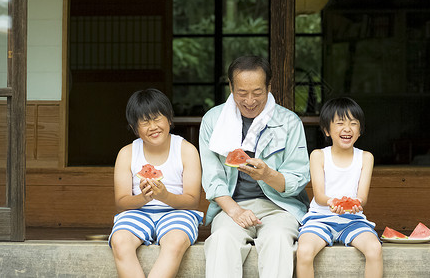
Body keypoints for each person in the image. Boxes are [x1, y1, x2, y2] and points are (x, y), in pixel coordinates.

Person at [199, 55, 311, 278]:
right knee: (221, 241)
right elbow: (213, 178)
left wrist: (268, 174)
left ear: (269, 87)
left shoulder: (290, 122)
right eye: (242, 93)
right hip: (231, 206)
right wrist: (235, 211)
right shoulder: (213, 120)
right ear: (231, 87)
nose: (250, 100)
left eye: (257, 92)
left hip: (280, 207)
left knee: (278, 240)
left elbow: (297, 180)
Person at [109, 88, 203, 278]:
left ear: (169, 118)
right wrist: (144, 198)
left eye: (157, 118)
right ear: (135, 128)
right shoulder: (127, 153)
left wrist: (164, 197)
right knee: (119, 241)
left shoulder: (186, 150)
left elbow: (193, 201)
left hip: (178, 212)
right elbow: (121, 202)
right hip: (137, 212)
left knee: (175, 241)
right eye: (144, 121)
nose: (153, 126)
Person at [296, 97, 383, 278]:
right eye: (340, 123)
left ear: (360, 131)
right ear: (327, 130)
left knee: (374, 249)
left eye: (353, 123)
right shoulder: (318, 155)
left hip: (353, 220)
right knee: (304, 252)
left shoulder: (366, 157)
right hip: (320, 219)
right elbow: (320, 195)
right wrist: (333, 202)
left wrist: (356, 203)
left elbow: (362, 197)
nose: (347, 128)